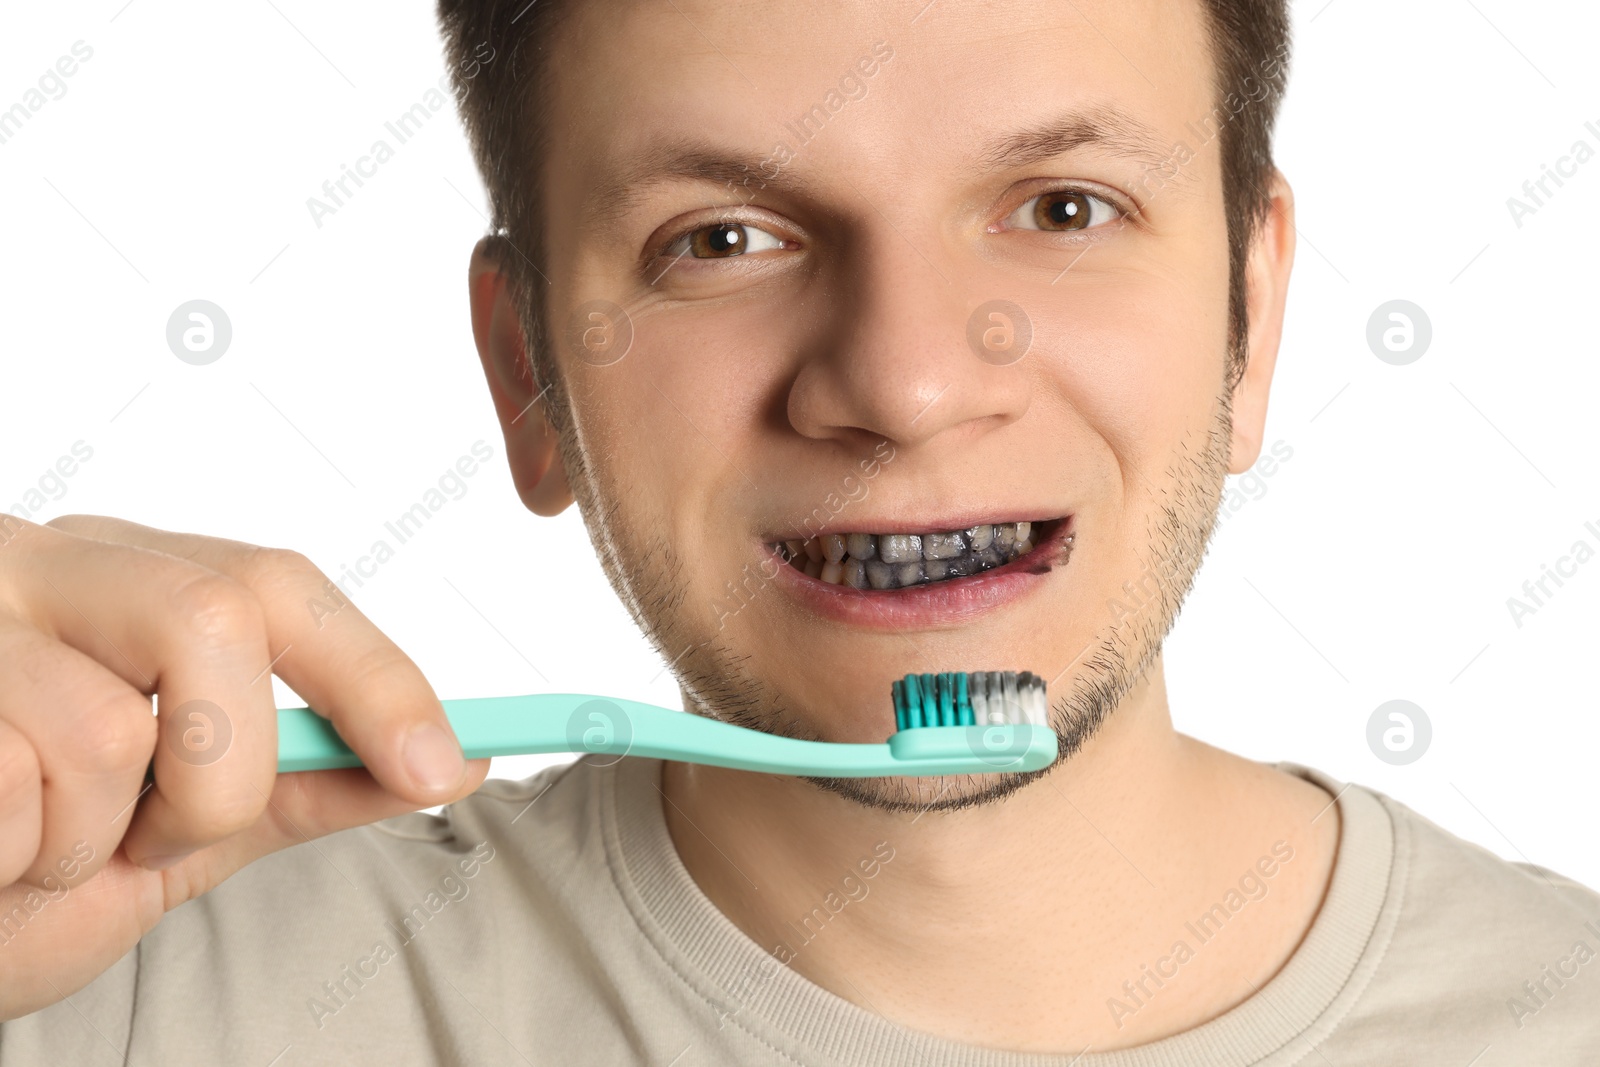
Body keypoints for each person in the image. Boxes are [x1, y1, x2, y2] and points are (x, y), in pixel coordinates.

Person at [3, 0, 1597, 1062]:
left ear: (1252, 308)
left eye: (1062, 207)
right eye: (724, 237)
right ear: (529, 374)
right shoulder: (123, 990)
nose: (902, 382)